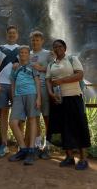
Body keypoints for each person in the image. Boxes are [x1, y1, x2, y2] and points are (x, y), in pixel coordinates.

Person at [46, 39, 91, 170]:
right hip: (58, 100)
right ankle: (69, 157)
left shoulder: (72, 59)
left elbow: (80, 75)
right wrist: (50, 93)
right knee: (64, 128)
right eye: (55, 47)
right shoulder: (51, 64)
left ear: (65, 48)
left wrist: (62, 80)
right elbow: (48, 80)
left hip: (73, 97)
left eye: (60, 46)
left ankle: (83, 159)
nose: (57, 48)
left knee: (79, 126)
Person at [9, 45, 41, 165]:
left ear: (28, 54)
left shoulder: (32, 66)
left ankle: (31, 150)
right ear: (19, 55)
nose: (23, 54)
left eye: (25, 52)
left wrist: (39, 98)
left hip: (32, 94)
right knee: (12, 122)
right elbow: (12, 82)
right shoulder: (15, 67)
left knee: (32, 120)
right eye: (21, 52)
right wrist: (13, 98)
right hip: (18, 96)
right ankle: (23, 149)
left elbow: (37, 81)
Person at [0, 25, 19, 157]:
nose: (12, 35)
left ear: (17, 35)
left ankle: (20, 144)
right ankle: (4, 143)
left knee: (19, 114)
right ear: (6, 34)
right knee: (3, 113)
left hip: (16, 86)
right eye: (10, 33)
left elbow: (26, 66)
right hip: (2, 84)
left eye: (14, 33)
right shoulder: (0, 48)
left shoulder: (21, 49)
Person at [29, 31, 51, 159]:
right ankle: (37, 145)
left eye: (37, 40)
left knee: (47, 117)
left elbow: (54, 68)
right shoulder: (28, 54)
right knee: (35, 118)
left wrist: (41, 68)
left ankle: (47, 145)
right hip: (31, 89)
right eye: (33, 40)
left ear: (42, 41)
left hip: (43, 87)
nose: (35, 42)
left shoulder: (48, 54)